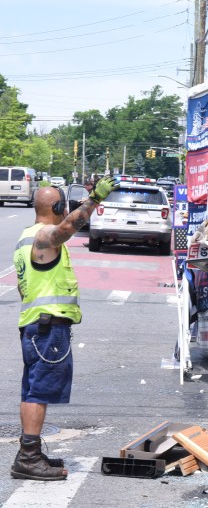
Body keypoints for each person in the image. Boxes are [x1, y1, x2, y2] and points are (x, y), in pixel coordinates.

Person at [11, 177, 114, 481]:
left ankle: (29, 453)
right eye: (64, 204)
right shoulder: (43, 236)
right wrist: (94, 199)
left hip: (35, 326)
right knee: (38, 391)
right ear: (58, 207)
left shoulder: (24, 239)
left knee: (33, 390)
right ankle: (28, 459)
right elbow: (65, 229)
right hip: (46, 328)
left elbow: (22, 287)